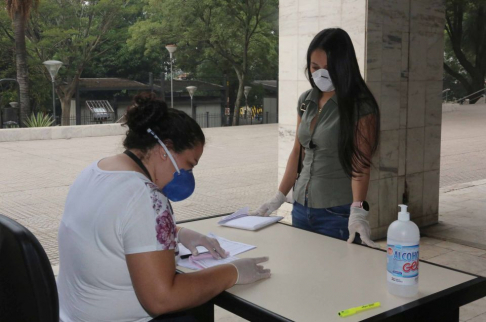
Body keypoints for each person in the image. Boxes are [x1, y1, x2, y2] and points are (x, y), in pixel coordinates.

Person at [57, 92, 270, 322]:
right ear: (164, 149)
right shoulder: (147, 197)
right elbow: (162, 299)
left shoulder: (96, 171)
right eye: (189, 165)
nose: (188, 175)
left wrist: (177, 233)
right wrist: (233, 272)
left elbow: (112, 230)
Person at [251, 28, 380, 247]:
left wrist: (357, 212)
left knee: (335, 277)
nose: (320, 74)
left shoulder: (359, 106)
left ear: (343, 66)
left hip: (336, 213)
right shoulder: (306, 101)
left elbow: (360, 165)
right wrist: (279, 197)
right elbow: (297, 152)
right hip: (301, 208)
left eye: (328, 68)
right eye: (315, 67)